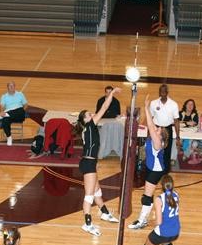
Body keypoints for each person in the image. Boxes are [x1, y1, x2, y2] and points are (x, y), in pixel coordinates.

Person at [75, 87, 122, 236]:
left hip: (90, 163)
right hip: (88, 164)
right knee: (89, 196)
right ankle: (87, 224)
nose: (92, 114)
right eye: (89, 114)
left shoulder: (89, 127)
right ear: (86, 120)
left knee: (97, 192)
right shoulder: (90, 125)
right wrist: (112, 93)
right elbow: (104, 107)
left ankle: (105, 213)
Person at [129, 95, 169, 230]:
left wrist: (146, 108)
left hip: (156, 171)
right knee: (148, 195)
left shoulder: (158, 142)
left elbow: (151, 127)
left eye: (158, 130)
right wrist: (148, 112)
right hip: (151, 168)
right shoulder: (153, 138)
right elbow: (148, 125)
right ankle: (144, 219)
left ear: (161, 135)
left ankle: (141, 221)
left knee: (146, 196)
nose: (156, 129)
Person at [142, 174, 181, 245]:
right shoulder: (176, 195)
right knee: (166, 242)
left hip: (164, 231)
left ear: (161, 185)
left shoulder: (159, 199)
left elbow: (159, 222)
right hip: (176, 231)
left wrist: (149, 222)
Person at [149, 84, 180, 173]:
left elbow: (176, 121)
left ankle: (165, 172)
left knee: (167, 151)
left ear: (167, 92)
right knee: (155, 149)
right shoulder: (153, 103)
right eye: (161, 91)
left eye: (164, 91)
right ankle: (154, 169)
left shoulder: (173, 104)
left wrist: (178, 136)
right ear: (159, 92)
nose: (162, 93)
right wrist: (149, 132)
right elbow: (150, 118)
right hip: (156, 129)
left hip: (168, 129)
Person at [0, 81, 28, 146]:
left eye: (13, 85)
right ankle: (9, 137)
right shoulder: (4, 96)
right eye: (10, 86)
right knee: (5, 120)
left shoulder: (20, 94)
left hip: (19, 114)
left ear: (15, 87)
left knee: (19, 110)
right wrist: (2, 112)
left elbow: (25, 105)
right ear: (7, 87)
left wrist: (23, 110)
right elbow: (2, 106)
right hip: (9, 115)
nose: (11, 87)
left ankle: (7, 115)